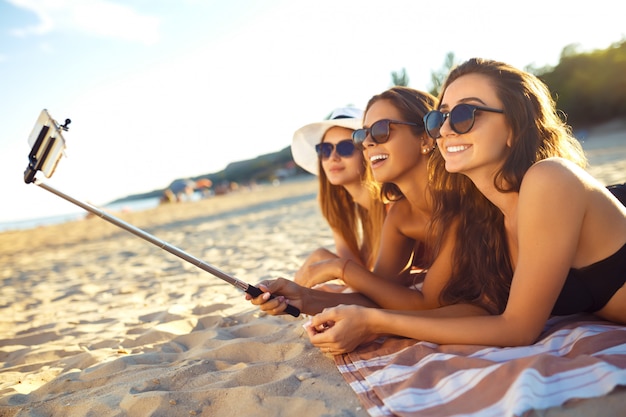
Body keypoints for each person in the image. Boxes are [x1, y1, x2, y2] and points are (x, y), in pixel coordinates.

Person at [303, 58, 626, 354]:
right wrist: (314, 301)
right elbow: (481, 310)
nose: (445, 130)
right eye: (439, 117)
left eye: (464, 115)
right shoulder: (488, 214)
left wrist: (375, 322)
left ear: (514, 127)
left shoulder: (549, 178)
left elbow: (518, 329)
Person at [248, 87, 469, 315]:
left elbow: (425, 303)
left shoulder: (459, 204)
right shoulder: (401, 214)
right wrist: (302, 297)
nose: (367, 143)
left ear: (425, 138)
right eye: (362, 135)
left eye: (382, 130)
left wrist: (339, 268)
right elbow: (381, 295)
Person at [290, 107, 386, 290]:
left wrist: (327, 262)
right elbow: (356, 272)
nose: (333, 157)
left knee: (320, 257)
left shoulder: (390, 204)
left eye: (345, 148)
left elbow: (379, 285)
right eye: (325, 149)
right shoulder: (344, 205)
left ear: (366, 153)